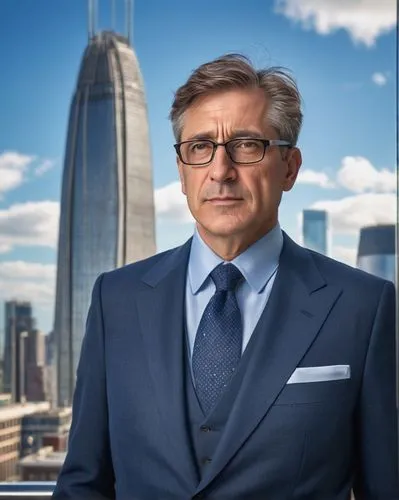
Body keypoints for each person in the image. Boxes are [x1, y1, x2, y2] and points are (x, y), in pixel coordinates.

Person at [52, 54, 398, 500]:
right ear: (181, 172)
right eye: (199, 148)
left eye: (247, 145)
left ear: (289, 168)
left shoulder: (362, 306)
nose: (220, 170)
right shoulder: (114, 300)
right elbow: (83, 484)